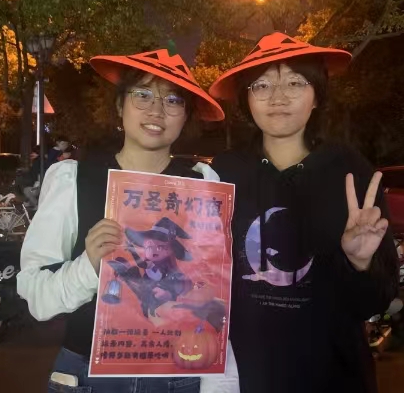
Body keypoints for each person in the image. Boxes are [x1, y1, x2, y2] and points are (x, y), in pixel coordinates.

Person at [17, 48, 239, 393]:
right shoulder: (74, 179)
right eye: (143, 94)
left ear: (186, 117)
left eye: (173, 100)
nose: (156, 110)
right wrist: (88, 266)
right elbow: (37, 299)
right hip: (88, 375)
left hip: (179, 372)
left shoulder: (202, 185)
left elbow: (214, 286)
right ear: (120, 106)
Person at [208, 32, 399, 393]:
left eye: (295, 82)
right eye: (262, 85)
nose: (278, 97)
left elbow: (375, 301)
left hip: (332, 376)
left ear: (317, 97)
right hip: (244, 374)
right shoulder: (225, 172)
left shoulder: (349, 171)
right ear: (247, 99)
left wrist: (359, 263)